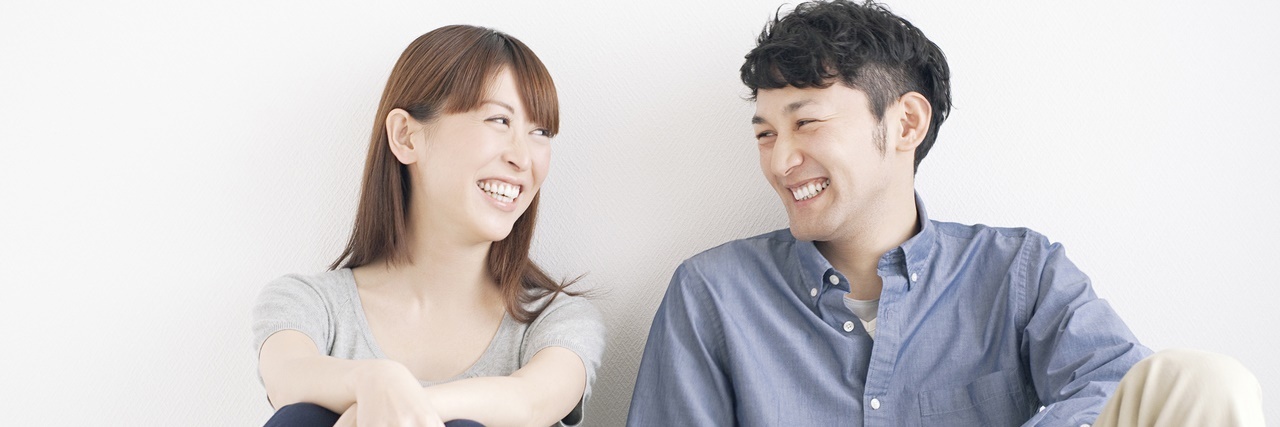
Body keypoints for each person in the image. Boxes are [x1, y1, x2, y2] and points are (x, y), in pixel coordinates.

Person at [627, 1, 1264, 426]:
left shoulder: (1020, 272)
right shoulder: (713, 292)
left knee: (1206, 383)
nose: (781, 160)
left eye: (807, 123)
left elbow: (1118, 384)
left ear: (906, 122)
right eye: (765, 134)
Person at [251, 25, 605, 427]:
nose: (523, 158)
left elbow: (531, 403)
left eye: (540, 131)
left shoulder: (556, 321)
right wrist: (376, 379)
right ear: (406, 136)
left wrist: (385, 405)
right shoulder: (310, 304)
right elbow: (287, 377)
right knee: (303, 416)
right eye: (498, 120)